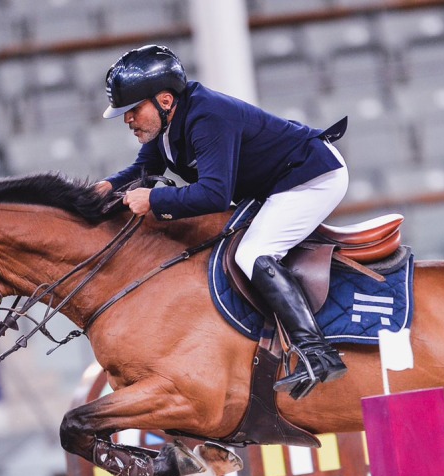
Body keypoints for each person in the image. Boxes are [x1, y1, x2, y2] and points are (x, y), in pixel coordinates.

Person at [94, 44, 350, 400]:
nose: (128, 120)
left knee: (253, 253)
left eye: (133, 110)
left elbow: (214, 195)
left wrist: (153, 200)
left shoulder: (208, 116)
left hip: (310, 178)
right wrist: (106, 187)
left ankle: (317, 353)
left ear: (164, 100)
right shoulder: (168, 123)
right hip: (272, 186)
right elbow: (144, 168)